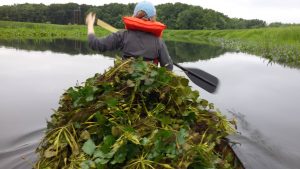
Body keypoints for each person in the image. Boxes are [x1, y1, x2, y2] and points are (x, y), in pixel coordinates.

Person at [85, 1, 173, 70]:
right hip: (149, 89)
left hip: (124, 86)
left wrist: (90, 25)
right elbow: (168, 67)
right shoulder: (158, 41)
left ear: (134, 16)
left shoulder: (122, 35)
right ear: (153, 19)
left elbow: (94, 44)